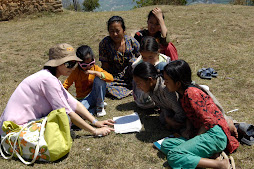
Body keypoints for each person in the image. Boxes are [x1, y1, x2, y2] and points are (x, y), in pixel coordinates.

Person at [0, 43, 114, 136]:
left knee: (64, 122)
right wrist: (94, 131)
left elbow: (74, 103)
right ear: (57, 64)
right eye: (69, 64)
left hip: (16, 126)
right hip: (14, 129)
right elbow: (67, 112)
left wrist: (96, 122)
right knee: (64, 121)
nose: (73, 67)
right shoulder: (48, 80)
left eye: (74, 63)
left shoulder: (50, 78)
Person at [161, 60, 239, 169]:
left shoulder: (192, 93)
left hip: (213, 135)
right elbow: (191, 115)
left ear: (178, 83)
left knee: (174, 155)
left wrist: (195, 139)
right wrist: (188, 129)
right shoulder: (184, 94)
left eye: (167, 80)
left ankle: (220, 164)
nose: (164, 83)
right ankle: (211, 155)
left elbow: (208, 121)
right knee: (166, 145)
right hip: (206, 134)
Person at [132, 62, 188, 134]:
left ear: (150, 80)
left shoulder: (166, 90)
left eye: (139, 83)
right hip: (172, 111)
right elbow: (163, 107)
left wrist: (171, 121)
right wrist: (167, 118)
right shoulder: (151, 89)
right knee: (162, 119)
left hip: (184, 113)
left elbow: (180, 112)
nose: (137, 86)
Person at [63, 45, 114, 117]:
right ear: (79, 63)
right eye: (84, 65)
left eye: (91, 64)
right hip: (84, 99)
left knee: (100, 79)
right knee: (78, 114)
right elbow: (65, 85)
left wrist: (95, 73)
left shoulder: (95, 68)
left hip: (95, 95)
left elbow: (111, 78)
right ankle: (93, 109)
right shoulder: (75, 72)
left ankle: (100, 106)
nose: (88, 67)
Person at [99, 16, 140, 99]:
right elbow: (105, 66)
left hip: (130, 75)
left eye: (117, 31)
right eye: (112, 31)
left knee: (135, 62)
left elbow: (142, 57)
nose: (115, 34)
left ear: (123, 30)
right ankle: (130, 90)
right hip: (113, 78)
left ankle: (135, 85)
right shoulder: (104, 43)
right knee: (103, 86)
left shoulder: (131, 41)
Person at [132, 36, 170, 109]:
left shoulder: (165, 62)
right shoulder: (137, 66)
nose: (147, 61)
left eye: (150, 57)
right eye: (144, 57)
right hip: (145, 100)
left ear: (158, 52)